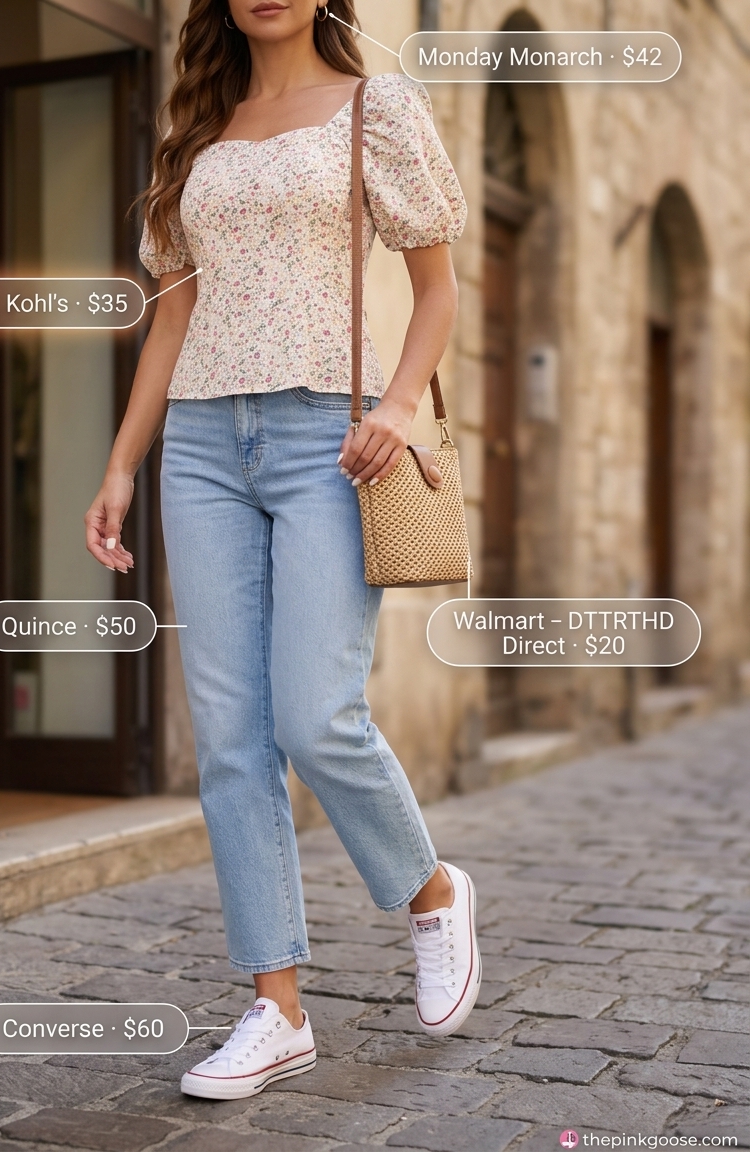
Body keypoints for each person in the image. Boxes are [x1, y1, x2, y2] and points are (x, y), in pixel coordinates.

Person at [85, 0, 480, 1101]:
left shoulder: (376, 106)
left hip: (330, 439)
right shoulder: (200, 131)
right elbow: (174, 314)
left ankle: (431, 892)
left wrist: (397, 407)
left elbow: (439, 286)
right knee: (230, 739)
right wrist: (123, 462)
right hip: (206, 446)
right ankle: (276, 1007)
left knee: (316, 712)